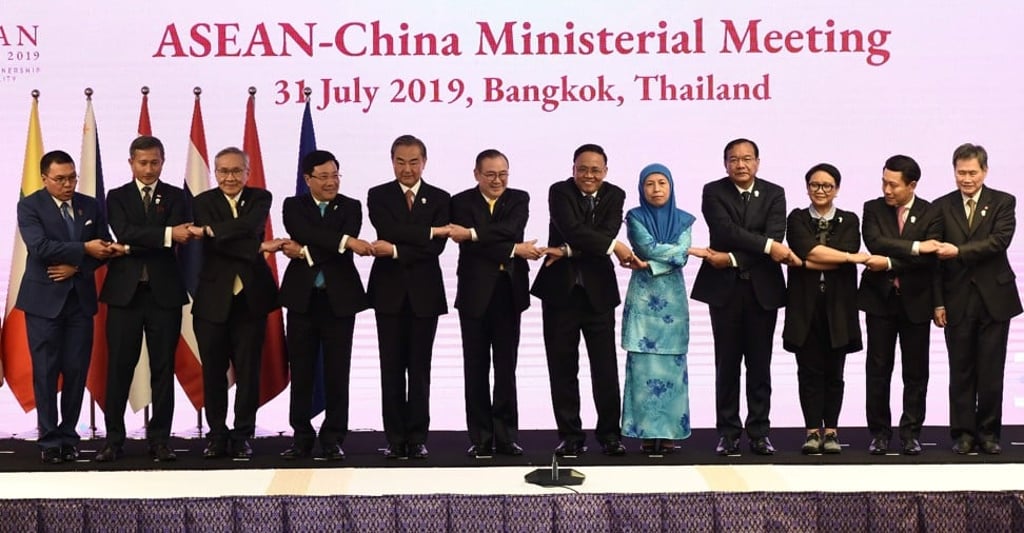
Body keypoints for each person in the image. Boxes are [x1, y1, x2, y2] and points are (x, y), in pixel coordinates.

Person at [530, 143, 639, 457]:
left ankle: (610, 435)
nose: (588, 175)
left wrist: (565, 250)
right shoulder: (559, 192)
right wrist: (614, 245)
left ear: (605, 171)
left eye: (595, 170)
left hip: (598, 293)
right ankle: (571, 436)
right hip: (559, 293)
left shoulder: (615, 195)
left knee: (604, 367)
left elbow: (584, 238)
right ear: (573, 168)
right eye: (583, 168)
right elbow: (574, 231)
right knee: (562, 368)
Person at [17, 150, 121, 464]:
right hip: (43, 301)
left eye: (72, 177)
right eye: (60, 179)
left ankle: (69, 437)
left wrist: (77, 266)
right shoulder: (29, 205)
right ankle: (49, 440)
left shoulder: (89, 204)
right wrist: (82, 249)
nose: (68, 184)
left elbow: (104, 246)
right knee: (46, 372)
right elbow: (40, 247)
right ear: (44, 178)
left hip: (80, 300)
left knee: (76, 371)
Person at [691, 138, 790, 456]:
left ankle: (759, 432)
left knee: (760, 364)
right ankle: (728, 433)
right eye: (734, 159)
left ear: (758, 162)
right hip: (725, 291)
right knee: (727, 363)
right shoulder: (713, 191)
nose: (741, 165)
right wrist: (765, 247)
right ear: (725, 164)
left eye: (747, 159)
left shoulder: (774, 193)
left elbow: (776, 238)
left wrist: (734, 258)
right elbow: (724, 232)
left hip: (763, 290)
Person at [95, 135, 192, 463]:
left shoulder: (178, 196)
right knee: (119, 368)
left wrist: (131, 246)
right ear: (131, 163)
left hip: (164, 294)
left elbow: (173, 236)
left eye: (154, 162)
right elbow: (125, 231)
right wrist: (165, 235)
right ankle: (113, 439)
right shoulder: (117, 196)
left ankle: (161, 440)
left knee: (164, 369)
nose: (148, 169)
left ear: (163, 162)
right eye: (142, 162)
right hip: (125, 296)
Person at [189, 146, 284, 460]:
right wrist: (258, 247)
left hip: (250, 300)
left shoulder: (260, 198)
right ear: (215, 173)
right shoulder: (202, 201)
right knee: (213, 372)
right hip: (212, 299)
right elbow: (226, 243)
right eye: (223, 171)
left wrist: (212, 231)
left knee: (248, 370)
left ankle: (243, 433)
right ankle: (217, 434)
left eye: (236, 171)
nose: (229, 177)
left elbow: (245, 228)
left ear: (248, 171)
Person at [278, 150, 373, 461]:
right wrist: (344, 243)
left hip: (339, 301)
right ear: (308, 179)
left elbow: (320, 241)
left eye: (335, 175)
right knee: (301, 370)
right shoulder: (294, 205)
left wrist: (306, 253)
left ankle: (333, 437)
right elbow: (304, 232)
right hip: (303, 301)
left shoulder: (351, 206)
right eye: (324, 176)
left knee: (337, 371)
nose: (331, 182)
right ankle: (301, 436)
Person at [448, 149, 542, 458]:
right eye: (490, 174)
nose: (497, 180)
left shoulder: (519, 198)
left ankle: (505, 436)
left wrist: (474, 234)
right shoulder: (460, 202)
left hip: (508, 293)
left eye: (503, 174)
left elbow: (510, 229)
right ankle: (480, 437)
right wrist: (514, 250)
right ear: (476, 174)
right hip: (474, 295)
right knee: (475, 368)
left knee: (506, 368)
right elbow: (474, 249)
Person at [930, 143, 1022, 455]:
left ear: (984, 171)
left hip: (994, 297)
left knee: (991, 369)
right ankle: (963, 434)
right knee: (961, 370)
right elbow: (935, 262)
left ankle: (990, 433)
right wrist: (938, 302)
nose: (966, 179)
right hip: (956, 299)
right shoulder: (941, 206)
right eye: (961, 172)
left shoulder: (1003, 202)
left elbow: (998, 242)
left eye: (972, 172)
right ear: (953, 172)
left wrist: (959, 251)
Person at [366, 134, 450, 459]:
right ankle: (395, 438)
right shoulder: (378, 195)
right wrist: (429, 231)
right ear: (392, 162)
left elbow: (435, 249)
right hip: (388, 295)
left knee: (419, 369)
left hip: (425, 295)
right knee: (391, 368)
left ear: (424, 162)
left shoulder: (441, 198)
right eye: (400, 161)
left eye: (413, 161)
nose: (407, 168)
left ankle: (417, 438)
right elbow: (389, 230)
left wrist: (399, 248)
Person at [857, 155, 942, 456]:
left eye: (893, 184)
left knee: (916, 372)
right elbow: (875, 242)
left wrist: (892, 261)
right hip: (879, 301)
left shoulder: (932, 212)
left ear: (912, 185)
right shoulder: (872, 208)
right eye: (884, 182)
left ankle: (911, 433)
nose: (887, 190)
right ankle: (879, 433)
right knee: (878, 369)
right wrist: (916, 248)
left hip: (917, 302)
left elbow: (931, 261)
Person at [620, 163, 705, 455]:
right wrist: (670, 257)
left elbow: (680, 253)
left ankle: (669, 434)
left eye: (662, 183)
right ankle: (646, 434)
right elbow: (648, 248)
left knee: (672, 365)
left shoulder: (684, 219)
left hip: (673, 302)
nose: (656, 189)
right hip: (644, 299)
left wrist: (658, 261)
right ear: (642, 188)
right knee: (643, 366)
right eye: (650, 184)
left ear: (671, 186)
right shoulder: (634, 217)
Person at [782, 163, 865, 455]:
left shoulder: (851, 219)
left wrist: (811, 262)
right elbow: (810, 250)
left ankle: (831, 431)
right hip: (805, 307)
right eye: (815, 185)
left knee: (835, 373)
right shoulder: (796, 218)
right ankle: (811, 432)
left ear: (837, 189)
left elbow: (840, 255)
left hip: (838, 308)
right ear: (807, 188)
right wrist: (845, 258)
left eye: (827, 186)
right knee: (808, 371)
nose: (820, 190)